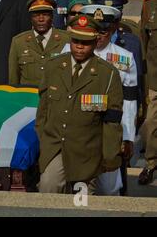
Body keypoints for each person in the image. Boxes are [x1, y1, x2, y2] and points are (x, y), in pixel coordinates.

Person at [36, 14, 123, 194]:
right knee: (48, 187)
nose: (80, 47)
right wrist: (43, 140)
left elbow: (112, 122)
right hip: (55, 147)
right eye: (76, 41)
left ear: (95, 41)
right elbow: (43, 110)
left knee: (80, 203)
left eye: (86, 42)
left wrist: (109, 156)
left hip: (87, 153)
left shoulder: (108, 75)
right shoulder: (53, 67)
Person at [62, 5, 138, 196]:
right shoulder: (66, 51)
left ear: (112, 30)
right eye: (98, 31)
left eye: (105, 31)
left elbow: (129, 101)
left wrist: (128, 136)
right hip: (74, 128)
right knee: (76, 185)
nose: (101, 36)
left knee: (108, 186)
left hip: (109, 128)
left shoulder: (124, 57)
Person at [9, 0, 69, 86]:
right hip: (28, 97)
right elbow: (13, 79)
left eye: (45, 15)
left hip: (57, 97)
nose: (41, 19)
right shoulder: (18, 42)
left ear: (52, 16)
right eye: (36, 15)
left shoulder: (66, 39)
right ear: (30, 18)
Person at [138, 0, 157, 185]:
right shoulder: (149, 6)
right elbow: (144, 42)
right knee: (152, 122)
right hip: (155, 77)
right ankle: (151, 163)